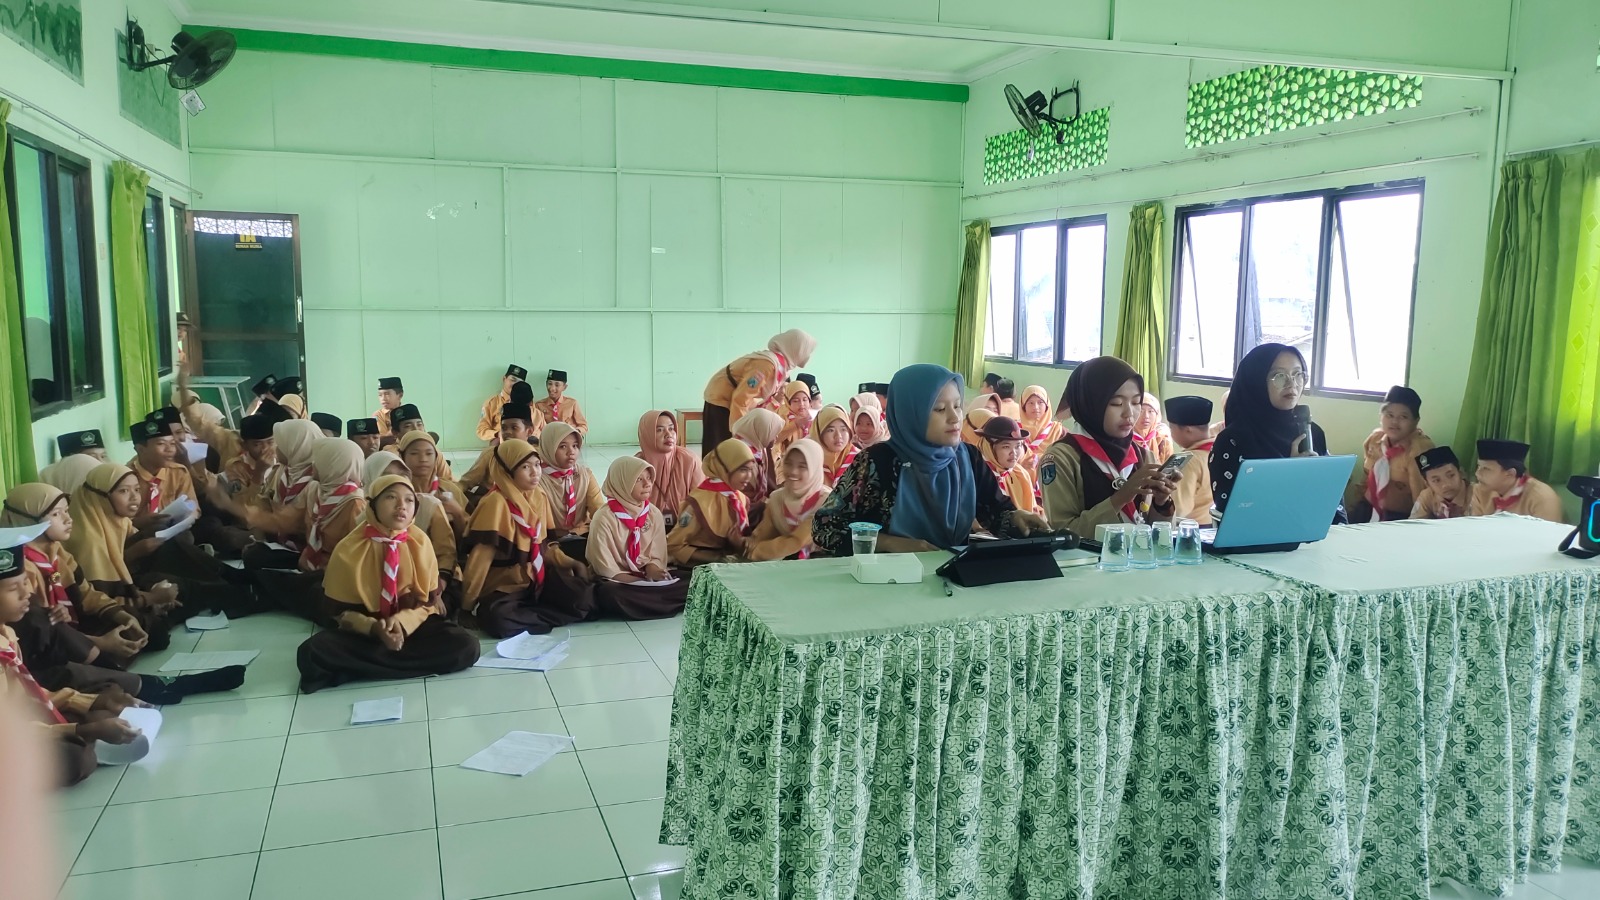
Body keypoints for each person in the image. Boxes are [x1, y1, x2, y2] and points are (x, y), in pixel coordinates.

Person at [813, 365, 1049, 554]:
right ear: (911, 413)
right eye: (939, 409)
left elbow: (995, 512)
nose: (954, 418)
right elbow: (825, 527)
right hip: (886, 582)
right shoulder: (876, 462)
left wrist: (1017, 517)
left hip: (952, 578)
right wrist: (889, 543)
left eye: (957, 406)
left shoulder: (967, 458)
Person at [295, 475, 479, 693]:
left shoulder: (420, 543)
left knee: (467, 645)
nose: (401, 506)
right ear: (372, 504)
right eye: (391, 497)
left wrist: (401, 623)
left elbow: (427, 604)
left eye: (409, 500)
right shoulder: (349, 548)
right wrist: (374, 628)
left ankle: (361, 669)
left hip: (411, 628)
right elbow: (340, 614)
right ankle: (393, 664)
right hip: (365, 634)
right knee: (312, 651)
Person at [1, 528, 142, 787]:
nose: (27, 595)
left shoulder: (7, 633)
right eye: (13, 588)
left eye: (26, 583)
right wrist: (81, 730)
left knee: (103, 708)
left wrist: (90, 701)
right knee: (75, 758)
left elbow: (26, 695)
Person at [459, 439, 593, 636]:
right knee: (498, 619)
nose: (535, 472)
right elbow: (480, 561)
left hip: (536, 578)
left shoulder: (538, 496)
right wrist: (466, 606)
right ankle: (537, 614)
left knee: (583, 599)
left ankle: (529, 615)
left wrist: (571, 563)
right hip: (504, 586)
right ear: (507, 471)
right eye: (525, 466)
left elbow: (544, 546)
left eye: (537, 465)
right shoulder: (495, 503)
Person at [1037, 357, 1179, 538]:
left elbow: (1158, 538)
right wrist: (1121, 497)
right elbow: (1064, 533)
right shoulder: (1061, 458)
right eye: (1116, 404)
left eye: (1136, 403)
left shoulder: (1144, 456)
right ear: (1090, 404)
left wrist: (1162, 502)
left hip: (1137, 562)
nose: (1129, 413)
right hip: (1086, 564)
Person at [1210, 344, 1340, 521]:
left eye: (1298, 374)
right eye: (1279, 376)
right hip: (1258, 544)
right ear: (1256, 381)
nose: (1291, 384)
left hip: (1314, 539)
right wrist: (1289, 475)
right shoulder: (1232, 440)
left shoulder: (1312, 432)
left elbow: (1333, 502)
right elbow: (1231, 509)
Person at [586, 457, 690, 619]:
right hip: (618, 581)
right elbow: (604, 568)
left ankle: (649, 601)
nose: (647, 484)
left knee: (690, 580)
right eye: (639, 479)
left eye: (649, 478)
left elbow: (657, 555)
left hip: (644, 578)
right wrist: (639, 583)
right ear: (623, 483)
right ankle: (658, 601)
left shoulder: (653, 513)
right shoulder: (604, 517)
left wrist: (654, 570)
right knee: (610, 594)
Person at [700, 329, 817, 455]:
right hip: (721, 399)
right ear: (796, 348)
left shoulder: (779, 366)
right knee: (721, 448)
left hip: (733, 402)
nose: (808, 355)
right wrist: (739, 432)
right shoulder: (766, 365)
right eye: (806, 349)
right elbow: (741, 397)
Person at [667, 439, 758, 566]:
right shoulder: (698, 503)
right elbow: (673, 545)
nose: (749, 476)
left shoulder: (739, 498)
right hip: (697, 568)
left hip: (729, 564)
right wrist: (714, 558)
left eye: (750, 469)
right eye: (743, 470)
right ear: (725, 468)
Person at [1354, 386, 1435, 522]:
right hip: (1367, 509)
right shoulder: (1374, 440)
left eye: (1403, 417)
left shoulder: (1420, 449)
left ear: (1415, 421)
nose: (1394, 422)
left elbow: (1422, 497)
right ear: (1381, 417)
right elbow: (1366, 478)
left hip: (1398, 518)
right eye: (1389, 415)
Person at [746, 439, 832, 560]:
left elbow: (797, 541)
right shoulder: (777, 499)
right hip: (783, 565)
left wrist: (757, 552)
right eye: (788, 463)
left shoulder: (827, 503)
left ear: (815, 468)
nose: (793, 471)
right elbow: (761, 534)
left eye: (802, 466)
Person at [298, 440, 369, 572]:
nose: (313, 464)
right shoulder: (316, 490)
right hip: (309, 564)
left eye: (319, 460)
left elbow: (358, 555)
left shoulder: (355, 503)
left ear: (333, 465)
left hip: (337, 572)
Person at [458, 387, 539, 500]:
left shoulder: (536, 456)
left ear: (529, 431)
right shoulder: (491, 454)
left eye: (514, 428)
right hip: (494, 508)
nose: (507, 433)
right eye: (504, 428)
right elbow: (465, 482)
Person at [635, 410, 703, 531]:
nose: (668, 434)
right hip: (645, 529)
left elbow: (701, 502)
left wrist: (682, 529)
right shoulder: (636, 466)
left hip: (684, 529)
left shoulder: (690, 461)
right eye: (659, 430)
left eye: (671, 429)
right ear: (647, 434)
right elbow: (629, 506)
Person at [1470, 439, 1565, 522]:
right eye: (1479, 466)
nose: (1477, 474)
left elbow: (1546, 539)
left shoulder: (1542, 498)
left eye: (1486, 469)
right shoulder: (1480, 491)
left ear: (1510, 473)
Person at [537, 423, 605, 539]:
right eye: (563, 446)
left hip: (582, 533)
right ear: (548, 447)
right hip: (550, 538)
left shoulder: (584, 474)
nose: (571, 452)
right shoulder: (537, 479)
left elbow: (599, 510)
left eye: (575, 446)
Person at [398, 431, 467, 531]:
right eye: (414, 453)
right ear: (402, 457)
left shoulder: (448, 489)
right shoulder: (396, 492)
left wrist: (457, 513)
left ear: (436, 458)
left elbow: (471, 537)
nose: (423, 459)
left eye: (429, 453)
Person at [1164, 396, 1215, 525]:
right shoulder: (1218, 451)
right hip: (1213, 526)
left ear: (1188, 429)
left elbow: (1178, 509)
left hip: (1191, 531)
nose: (1171, 433)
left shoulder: (1187, 460)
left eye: (1171, 428)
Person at [977, 416, 1043, 517]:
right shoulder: (978, 474)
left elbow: (1031, 511)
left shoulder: (1020, 474)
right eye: (1006, 447)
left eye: (1018, 446)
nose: (1014, 453)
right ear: (989, 447)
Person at [732, 408, 785, 511]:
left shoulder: (760, 448)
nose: (777, 436)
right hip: (743, 509)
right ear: (761, 431)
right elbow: (744, 494)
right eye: (774, 433)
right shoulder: (739, 456)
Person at [223, 414, 277, 512]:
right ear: (244, 445)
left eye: (270, 442)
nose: (265, 449)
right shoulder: (236, 467)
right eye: (257, 444)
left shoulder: (282, 459)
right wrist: (259, 473)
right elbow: (242, 507)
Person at [1411, 446, 1475, 520]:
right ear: (1427, 484)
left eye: (1451, 475)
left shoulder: (1477, 495)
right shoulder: (1427, 496)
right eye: (1436, 480)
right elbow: (1413, 524)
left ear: (1460, 473)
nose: (1445, 485)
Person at [1016, 385, 1065, 475]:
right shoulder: (1014, 429)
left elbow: (1065, 457)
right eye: (1030, 403)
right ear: (1023, 406)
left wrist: (1040, 459)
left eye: (1040, 402)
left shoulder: (1058, 430)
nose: (1036, 407)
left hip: (1048, 480)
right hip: (1020, 480)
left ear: (1047, 405)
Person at [476, 364, 528, 443]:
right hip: (500, 447)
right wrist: (497, 434)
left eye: (519, 382)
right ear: (504, 379)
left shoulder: (528, 405)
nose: (515, 384)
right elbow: (481, 430)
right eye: (512, 380)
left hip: (523, 448)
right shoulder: (491, 403)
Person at [811, 405, 857, 488]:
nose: (838, 436)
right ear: (819, 433)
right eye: (830, 430)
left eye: (843, 429)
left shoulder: (860, 459)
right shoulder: (809, 460)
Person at [536, 369, 589, 437]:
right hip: (549, 440)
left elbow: (583, 426)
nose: (552, 388)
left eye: (557, 385)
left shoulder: (572, 403)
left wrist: (576, 432)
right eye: (549, 384)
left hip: (569, 439)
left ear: (564, 387)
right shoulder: (539, 405)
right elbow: (536, 427)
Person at [774, 381, 815, 457]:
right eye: (796, 401)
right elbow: (774, 440)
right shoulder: (781, 416)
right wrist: (795, 424)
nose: (801, 404)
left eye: (805, 400)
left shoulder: (812, 416)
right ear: (788, 401)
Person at [1133, 393, 1176, 464]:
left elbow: (1168, 467)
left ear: (1157, 415)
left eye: (1151, 411)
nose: (1146, 416)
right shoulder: (1124, 437)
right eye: (1141, 411)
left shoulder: (1162, 438)